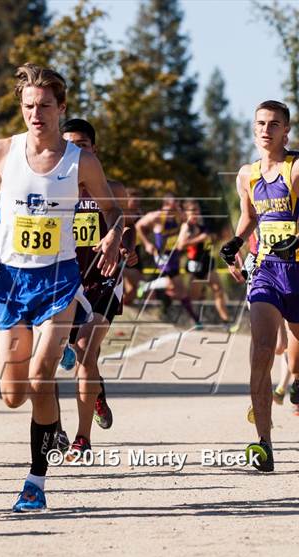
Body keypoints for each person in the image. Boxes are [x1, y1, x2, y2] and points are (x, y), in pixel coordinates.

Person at [0, 64, 123, 512]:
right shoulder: (1, 151)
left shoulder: (80, 161)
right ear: (21, 107)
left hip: (58, 280)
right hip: (11, 280)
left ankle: (35, 482)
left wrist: (114, 234)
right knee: (13, 395)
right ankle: (50, 425)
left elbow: (114, 209)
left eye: (45, 106)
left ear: (61, 108)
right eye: (29, 106)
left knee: (40, 375)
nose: (36, 114)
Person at [220, 100, 299, 472]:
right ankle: (264, 444)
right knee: (261, 351)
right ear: (253, 129)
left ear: (286, 130)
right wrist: (237, 242)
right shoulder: (246, 174)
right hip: (266, 270)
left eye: (274, 124)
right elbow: (250, 217)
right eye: (260, 124)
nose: (266, 130)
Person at [57, 118, 137, 456]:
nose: (75, 152)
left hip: (103, 278)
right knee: (71, 355)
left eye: (82, 145)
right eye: (68, 145)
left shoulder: (112, 189)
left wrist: (126, 247)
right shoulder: (54, 188)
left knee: (87, 349)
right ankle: (90, 398)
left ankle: (83, 438)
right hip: (63, 279)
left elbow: (127, 226)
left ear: (94, 149)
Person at [136, 193, 202, 327]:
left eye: (176, 207)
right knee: (179, 287)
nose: (174, 211)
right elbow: (138, 226)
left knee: (175, 287)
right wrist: (147, 243)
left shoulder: (178, 215)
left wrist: (190, 228)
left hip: (174, 255)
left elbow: (188, 220)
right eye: (171, 208)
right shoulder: (155, 217)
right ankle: (196, 320)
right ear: (165, 205)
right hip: (162, 256)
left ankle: (147, 286)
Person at [177, 199, 230, 325]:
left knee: (218, 289)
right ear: (186, 213)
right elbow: (180, 245)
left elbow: (208, 239)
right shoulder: (186, 226)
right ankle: (191, 320)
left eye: (197, 210)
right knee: (195, 296)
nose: (196, 213)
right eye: (193, 210)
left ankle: (226, 321)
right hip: (195, 264)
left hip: (207, 261)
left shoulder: (202, 224)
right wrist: (199, 239)